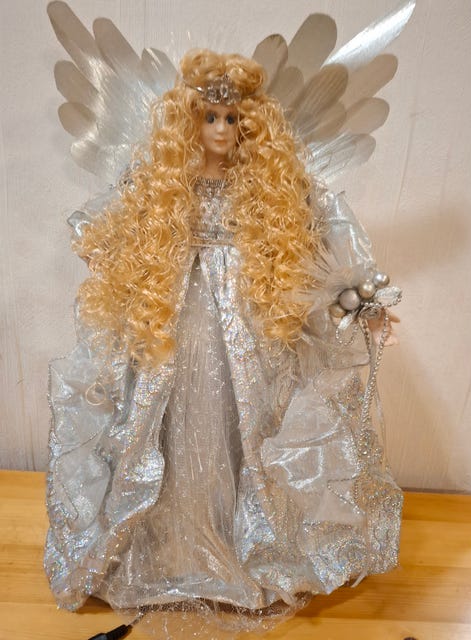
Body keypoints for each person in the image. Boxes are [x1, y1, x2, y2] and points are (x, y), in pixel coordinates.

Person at [45, 49, 402, 638]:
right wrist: (107, 251)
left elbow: (327, 222)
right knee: (175, 421)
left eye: (232, 118)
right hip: (178, 313)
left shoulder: (264, 185)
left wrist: (360, 294)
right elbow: (108, 221)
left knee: (247, 420)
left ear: (249, 125)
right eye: (209, 117)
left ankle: (245, 543)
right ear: (188, 122)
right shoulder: (166, 181)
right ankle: (173, 547)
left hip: (247, 313)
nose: (220, 129)